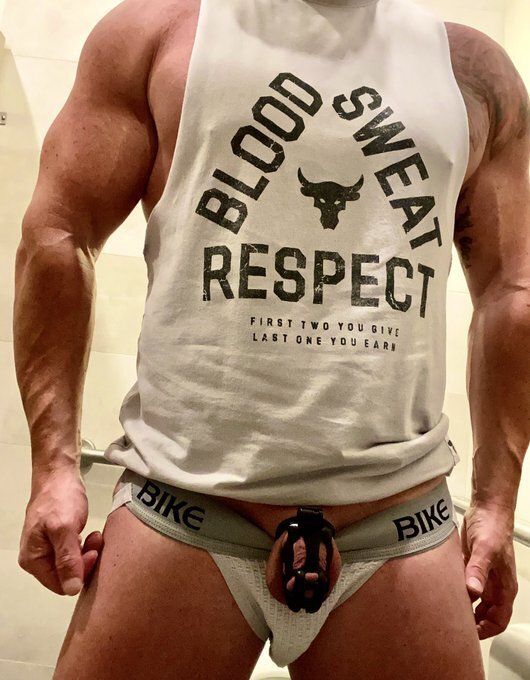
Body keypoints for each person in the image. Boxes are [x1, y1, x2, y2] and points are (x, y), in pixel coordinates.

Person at [13, 0, 529, 677]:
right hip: (185, 506)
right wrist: (52, 468)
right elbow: (58, 234)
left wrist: (495, 504)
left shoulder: (471, 69)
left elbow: (511, 292)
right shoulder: (158, 35)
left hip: (398, 520)